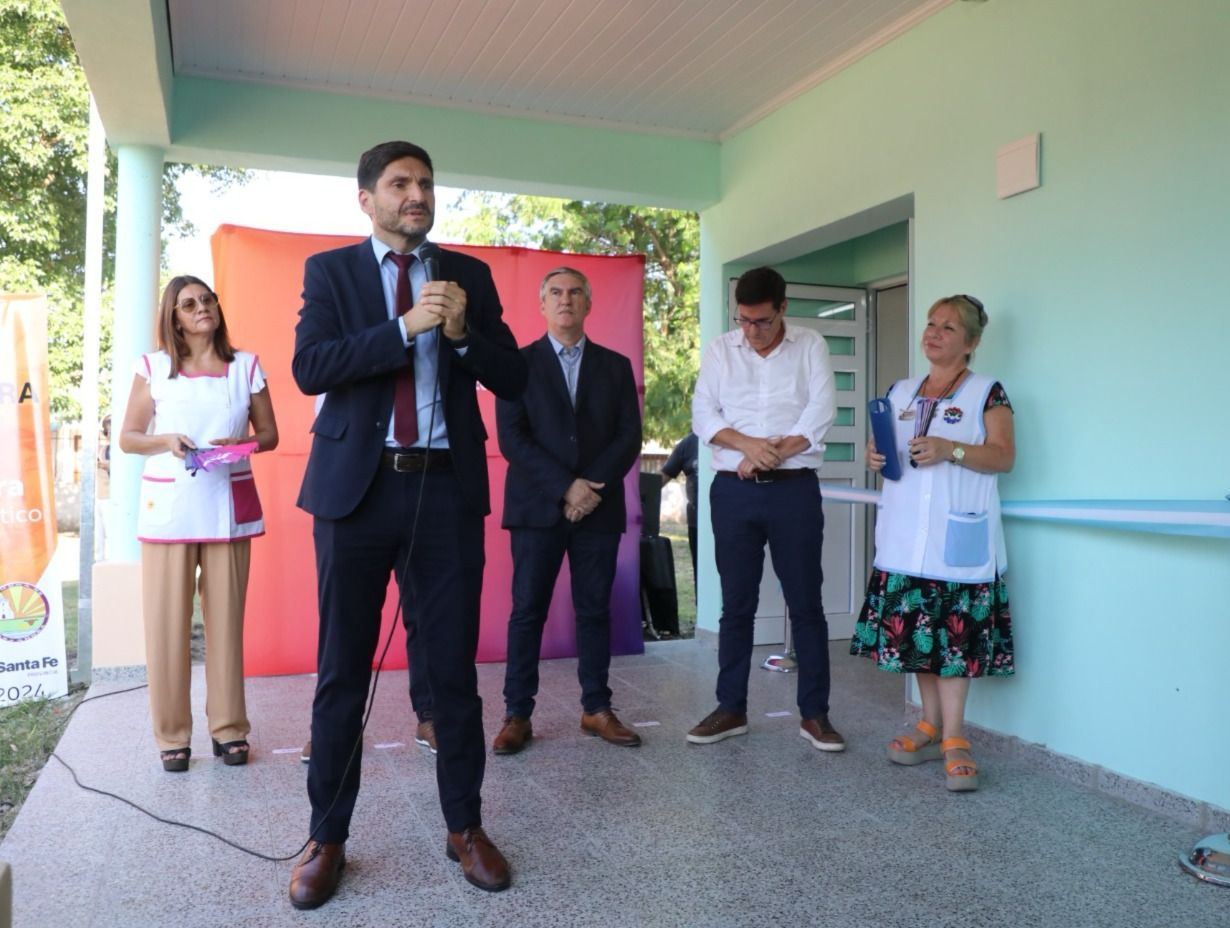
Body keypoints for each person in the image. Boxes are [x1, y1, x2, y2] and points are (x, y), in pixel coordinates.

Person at [288, 140, 527, 908]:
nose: (416, 193)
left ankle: (466, 827)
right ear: (368, 199)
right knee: (341, 671)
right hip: (355, 496)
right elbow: (311, 368)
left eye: (425, 182)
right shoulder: (331, 272)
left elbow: (514, 375)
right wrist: (404, 328)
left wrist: (461, 336)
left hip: (445, 493)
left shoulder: (470, 276)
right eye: (400, 183)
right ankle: (327, 838)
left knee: (453, 671)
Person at [850, 294, 1015, 792]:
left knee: (954, 644)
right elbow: (884, 451)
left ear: (971, 342)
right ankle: (928, 723)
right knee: (919, 640)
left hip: (956, 539)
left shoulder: (987, 393)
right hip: (905, 539)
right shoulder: (901, 392)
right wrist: (874, 456)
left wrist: (952, 449)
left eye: (948, 327)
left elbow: (1003, 457)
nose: (934, 333)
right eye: (931, 323)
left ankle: (955, 737)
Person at [118, 275, 279, 772]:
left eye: (207, 299)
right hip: (170, 511)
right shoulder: (153, 368)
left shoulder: (245, 366)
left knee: (226, 626)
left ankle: (229, 729)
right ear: (174, 317)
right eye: (188, 304)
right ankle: (172, 735)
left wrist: (240, 446)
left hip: (227, 506)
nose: (201, 307)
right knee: (167, 627)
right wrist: (166, 440)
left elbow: (270, 434)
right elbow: (128, 437)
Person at [688, 266, 844, 751]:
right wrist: (749, 446)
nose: (751, 331)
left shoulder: (810, 345)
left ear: (783, 309)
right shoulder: (721, 349)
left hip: (793, 491)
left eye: (762, 321)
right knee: (736, 604)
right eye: (744, 320)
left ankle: (815, 715)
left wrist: (769, 455)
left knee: (806, 603)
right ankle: (730, 708)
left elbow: (820, 412)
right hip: (733, 493)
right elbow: (703, 414)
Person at [491, 267, 643, 755]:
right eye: (555, 292)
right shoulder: (517, 365)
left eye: (575, 292)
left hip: (598, 506)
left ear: (588, 304)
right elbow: (513, 438)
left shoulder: (616, 366)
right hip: (537, 507)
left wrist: (589, 489)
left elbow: (629, 436)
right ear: (542, 304)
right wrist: (566, 488)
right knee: (527, 612)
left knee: (594, 610)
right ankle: (518, 714)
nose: (565, 299)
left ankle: (596, 708)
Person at [660, 431, 698, 585]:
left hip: (731, 521)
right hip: (697, 524)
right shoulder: (689, 443)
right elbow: (662, 477)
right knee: (701, 574)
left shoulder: (737, 437)